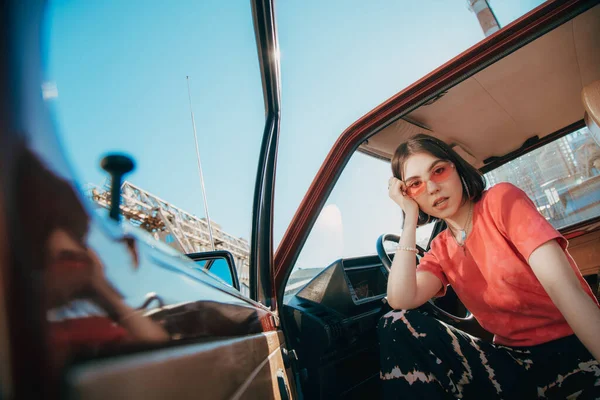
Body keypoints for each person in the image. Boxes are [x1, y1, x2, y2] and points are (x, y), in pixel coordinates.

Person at [380, 134, 600, 399]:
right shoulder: (440, 248)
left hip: (569, 349)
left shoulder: (501, 201)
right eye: (415, 185)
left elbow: (566, 290)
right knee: (396, 324)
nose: (432, 188)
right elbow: (400, 299)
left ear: (457, 169)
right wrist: (409, 217)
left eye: (438, 171)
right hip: (512, 363)